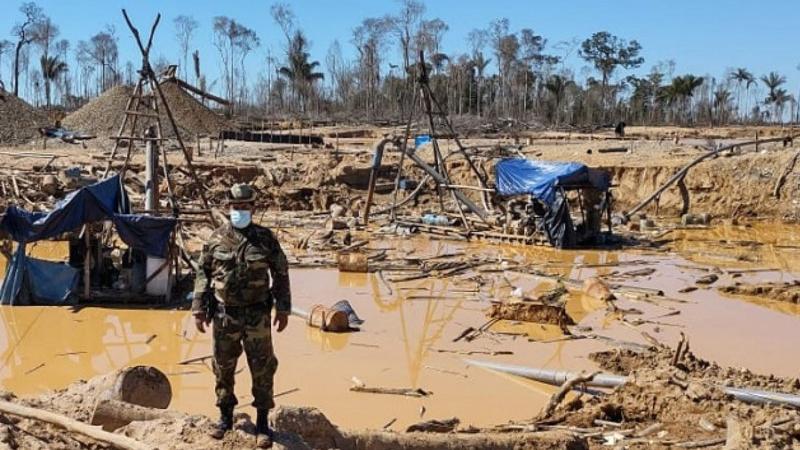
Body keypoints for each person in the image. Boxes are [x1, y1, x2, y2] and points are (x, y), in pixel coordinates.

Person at [192, 183, 291, 448]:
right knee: (223, 367)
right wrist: (198, 308)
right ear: (229, 208)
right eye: (236, 207)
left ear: (253, 208)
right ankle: (225, 417)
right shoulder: (216, 239)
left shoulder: (265, 239)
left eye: (244, 207)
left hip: (258, 315)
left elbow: (281, 272)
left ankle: (262, 423)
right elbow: (203, 273)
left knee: (263, 367)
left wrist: (283, 308)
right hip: (225, 316)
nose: (240, 211)